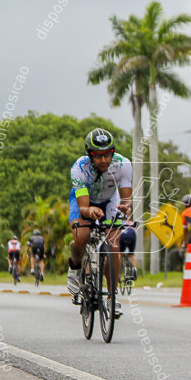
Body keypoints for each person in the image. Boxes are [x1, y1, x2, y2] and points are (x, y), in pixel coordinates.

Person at [67, 128, 132, 307]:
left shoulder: (123, 164)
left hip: (110, 200)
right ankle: (75, 266)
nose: (104, 160)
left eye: (107, 155)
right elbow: (83, 207)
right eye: (98, 156)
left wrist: (125, 208)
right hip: (83, 201)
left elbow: (127, 200)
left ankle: (112, 298)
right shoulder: (79, 168)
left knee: (114, 246)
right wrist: (89, 212)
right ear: (89, 155)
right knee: (82, 236)